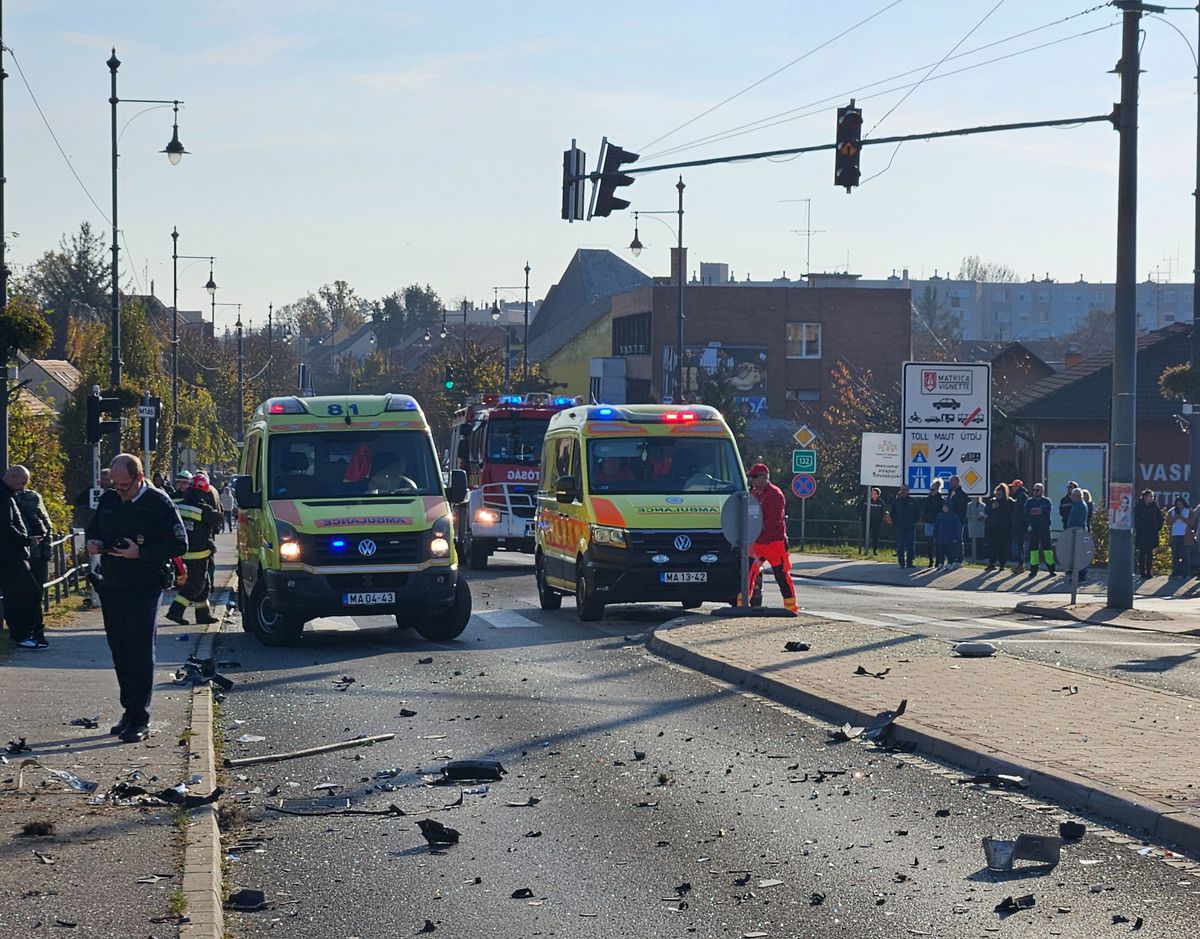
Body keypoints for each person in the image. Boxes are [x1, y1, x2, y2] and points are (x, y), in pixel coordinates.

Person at [86, 454, 188, 744]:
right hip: (113, 582)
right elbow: (94, 527)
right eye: (115, 486)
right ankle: (128, 710)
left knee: (139, 649)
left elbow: (180, 543)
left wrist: (140, 553)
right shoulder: (109, 500)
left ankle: (140, 716)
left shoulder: (158, 503)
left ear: (139, 478)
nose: (120, 492)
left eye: (125, 487)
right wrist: (94, 543)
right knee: (119, 648)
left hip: (144, 584)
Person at [165, 474, 223, 626]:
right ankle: (175, 611)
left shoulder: (180, 506)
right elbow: (216, 519)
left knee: (203, 584)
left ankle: (203, 614)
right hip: (198, 554)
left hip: (183, 551)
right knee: (196, 585)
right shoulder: (203, 509)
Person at [1, 466, 47, 648]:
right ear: (13, 477)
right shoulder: (4, 497)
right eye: (22, 482)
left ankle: (21, 633)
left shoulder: (7, 495)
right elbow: (5, 526)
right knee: (28, 592)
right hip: (10, 554)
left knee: (16, 594)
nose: (23, 487)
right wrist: (26, 540)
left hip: (10, 553)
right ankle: (22, 634)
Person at [744, 463, 797, 614]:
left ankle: (791, 607)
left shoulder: (775, 494)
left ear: (764, 477)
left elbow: (775, 520)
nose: (752, 480)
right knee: (747, 574)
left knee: (781, 576)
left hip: (775, 543)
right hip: (757, 543)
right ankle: (742, 605)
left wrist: (757, 527)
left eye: (754, 477)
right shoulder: (754, 494)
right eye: (750, 477)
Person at [9, 465, 53, 626]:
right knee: (17, 594)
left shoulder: (33, 497)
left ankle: (35, 628)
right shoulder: (5, 497)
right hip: (17, 554)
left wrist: (46, 553)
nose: (22, 485)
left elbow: (46, 525)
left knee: (34, 593)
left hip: (35, 554)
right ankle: (23, 629)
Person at [1024, 482, 1056, 577]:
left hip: (1044, 528)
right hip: (1033, 528)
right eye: (1034, 490)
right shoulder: (1029, 501)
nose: (1035, 492)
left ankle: (1051, 569)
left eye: (1037, 490)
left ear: (1042, 490)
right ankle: (1033, 570)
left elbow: (1045, 511)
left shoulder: (1047, 501)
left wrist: (1034, 511)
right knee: (1033, 550)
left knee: (1047, 550)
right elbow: (1027, 512)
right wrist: (1038, 511)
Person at [1134, 489, 1164, 579]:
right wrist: (1138, 527)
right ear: (1145, 497)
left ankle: (1149, 572)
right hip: (1141, 533)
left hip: (1152, 533)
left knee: (1150, 553)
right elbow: (1135, 519)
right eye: (1150, 496)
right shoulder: (1138, 507)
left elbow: (1161, 519)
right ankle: (1142, 572)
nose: (1152, 498)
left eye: (1153, 496)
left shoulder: (1155, 507)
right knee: (1142, 553)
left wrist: (1157, 528)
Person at [983, 483, 1013, 573]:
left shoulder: (1009, 502)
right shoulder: (992, 501)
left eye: (999, 494)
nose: (998, 496)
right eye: (996, 494)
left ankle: (1002, 564)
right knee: (992, 546)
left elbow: (1010, 514)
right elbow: (986, 511)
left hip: (1004, 528)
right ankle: (991, 563)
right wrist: (992, 507)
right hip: (993, 527)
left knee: (1003, 547)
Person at [888, 485, 919, 568]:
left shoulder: (913, 501)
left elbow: (918, 513)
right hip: (900, 527)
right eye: (902, 490)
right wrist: (896, 522)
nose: (903, 492)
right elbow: (892, 513)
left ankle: (910, 563)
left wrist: (913, 522)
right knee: (900, 546)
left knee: (910, 546)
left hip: (910, 527)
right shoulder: (896, 502)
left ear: (908, 491)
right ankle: (901, 563)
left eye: (905, 490)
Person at [920, 479, 945, 568]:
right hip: (929, 522)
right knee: (929, 542)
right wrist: (924, 517)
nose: (931, 491)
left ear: (937, 489)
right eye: (930, 489)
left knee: (938, 543)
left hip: (937, 523)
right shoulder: (928, 499)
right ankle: (931, 560)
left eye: (933, 490)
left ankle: (938, 561)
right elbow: (924, 509)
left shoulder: (941, 499)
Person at [945, 475, 969, 569]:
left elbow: (962, 508)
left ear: (957, 482)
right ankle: (951, 558)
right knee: (950, 540)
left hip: (958, 519)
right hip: (950, 519)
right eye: (950, 481)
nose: (951, 483)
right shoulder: (950, 491)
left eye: (952, 481)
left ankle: (959, 559)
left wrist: (960, 519)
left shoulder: (962, 494)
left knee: (958, 539)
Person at [933, 502, 962, 571]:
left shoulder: (954, 516)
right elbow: (936, 526)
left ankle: (950, 563)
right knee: (941, 552)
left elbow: (957, 528)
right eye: (943, 507)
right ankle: (940, 563)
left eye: (946, 507)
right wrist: (935, 536)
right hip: (941, 538)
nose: (944, 509)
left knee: (950, 552)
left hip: (950, 538)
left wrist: (955, 537)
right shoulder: (940, 515)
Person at [1168, 496, 1192, 579]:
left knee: (1185, 555)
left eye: (1180, 504)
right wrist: (1175, 517)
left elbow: (1190, 522)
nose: (1179, 505)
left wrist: (1181, 517)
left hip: (1185, 535)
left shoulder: (1188, 511)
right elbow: (1168, 521)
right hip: (1175, 535)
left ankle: (1185, 573)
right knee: (1175, 555)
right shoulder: (1172, 511)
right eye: (1177, 504)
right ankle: (1175, 573)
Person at [1009, 480, 1029, 573]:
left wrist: (1019, 522)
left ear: (1018, 487)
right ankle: (1020, 565)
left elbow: (1022, 512)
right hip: (1019, 524)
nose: (1012, 488)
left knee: (1021, 545)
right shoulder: (1020, 496)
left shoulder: (1022, 496)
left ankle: (1021, 565)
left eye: (1014, 486)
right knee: (1020, 545)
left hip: (1021, 525)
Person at [865, 487, 885, 555]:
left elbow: (882, 512)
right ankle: (865, 549)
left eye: (873, 493)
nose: (872, 494)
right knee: (866, 535)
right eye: (872, 493)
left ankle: (875, 550)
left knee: (875, 536)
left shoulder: (881, 502)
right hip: (868, 521)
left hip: (877, 522)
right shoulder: (868, 501)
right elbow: (862, 509)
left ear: (877, 494)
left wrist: (880, 520)